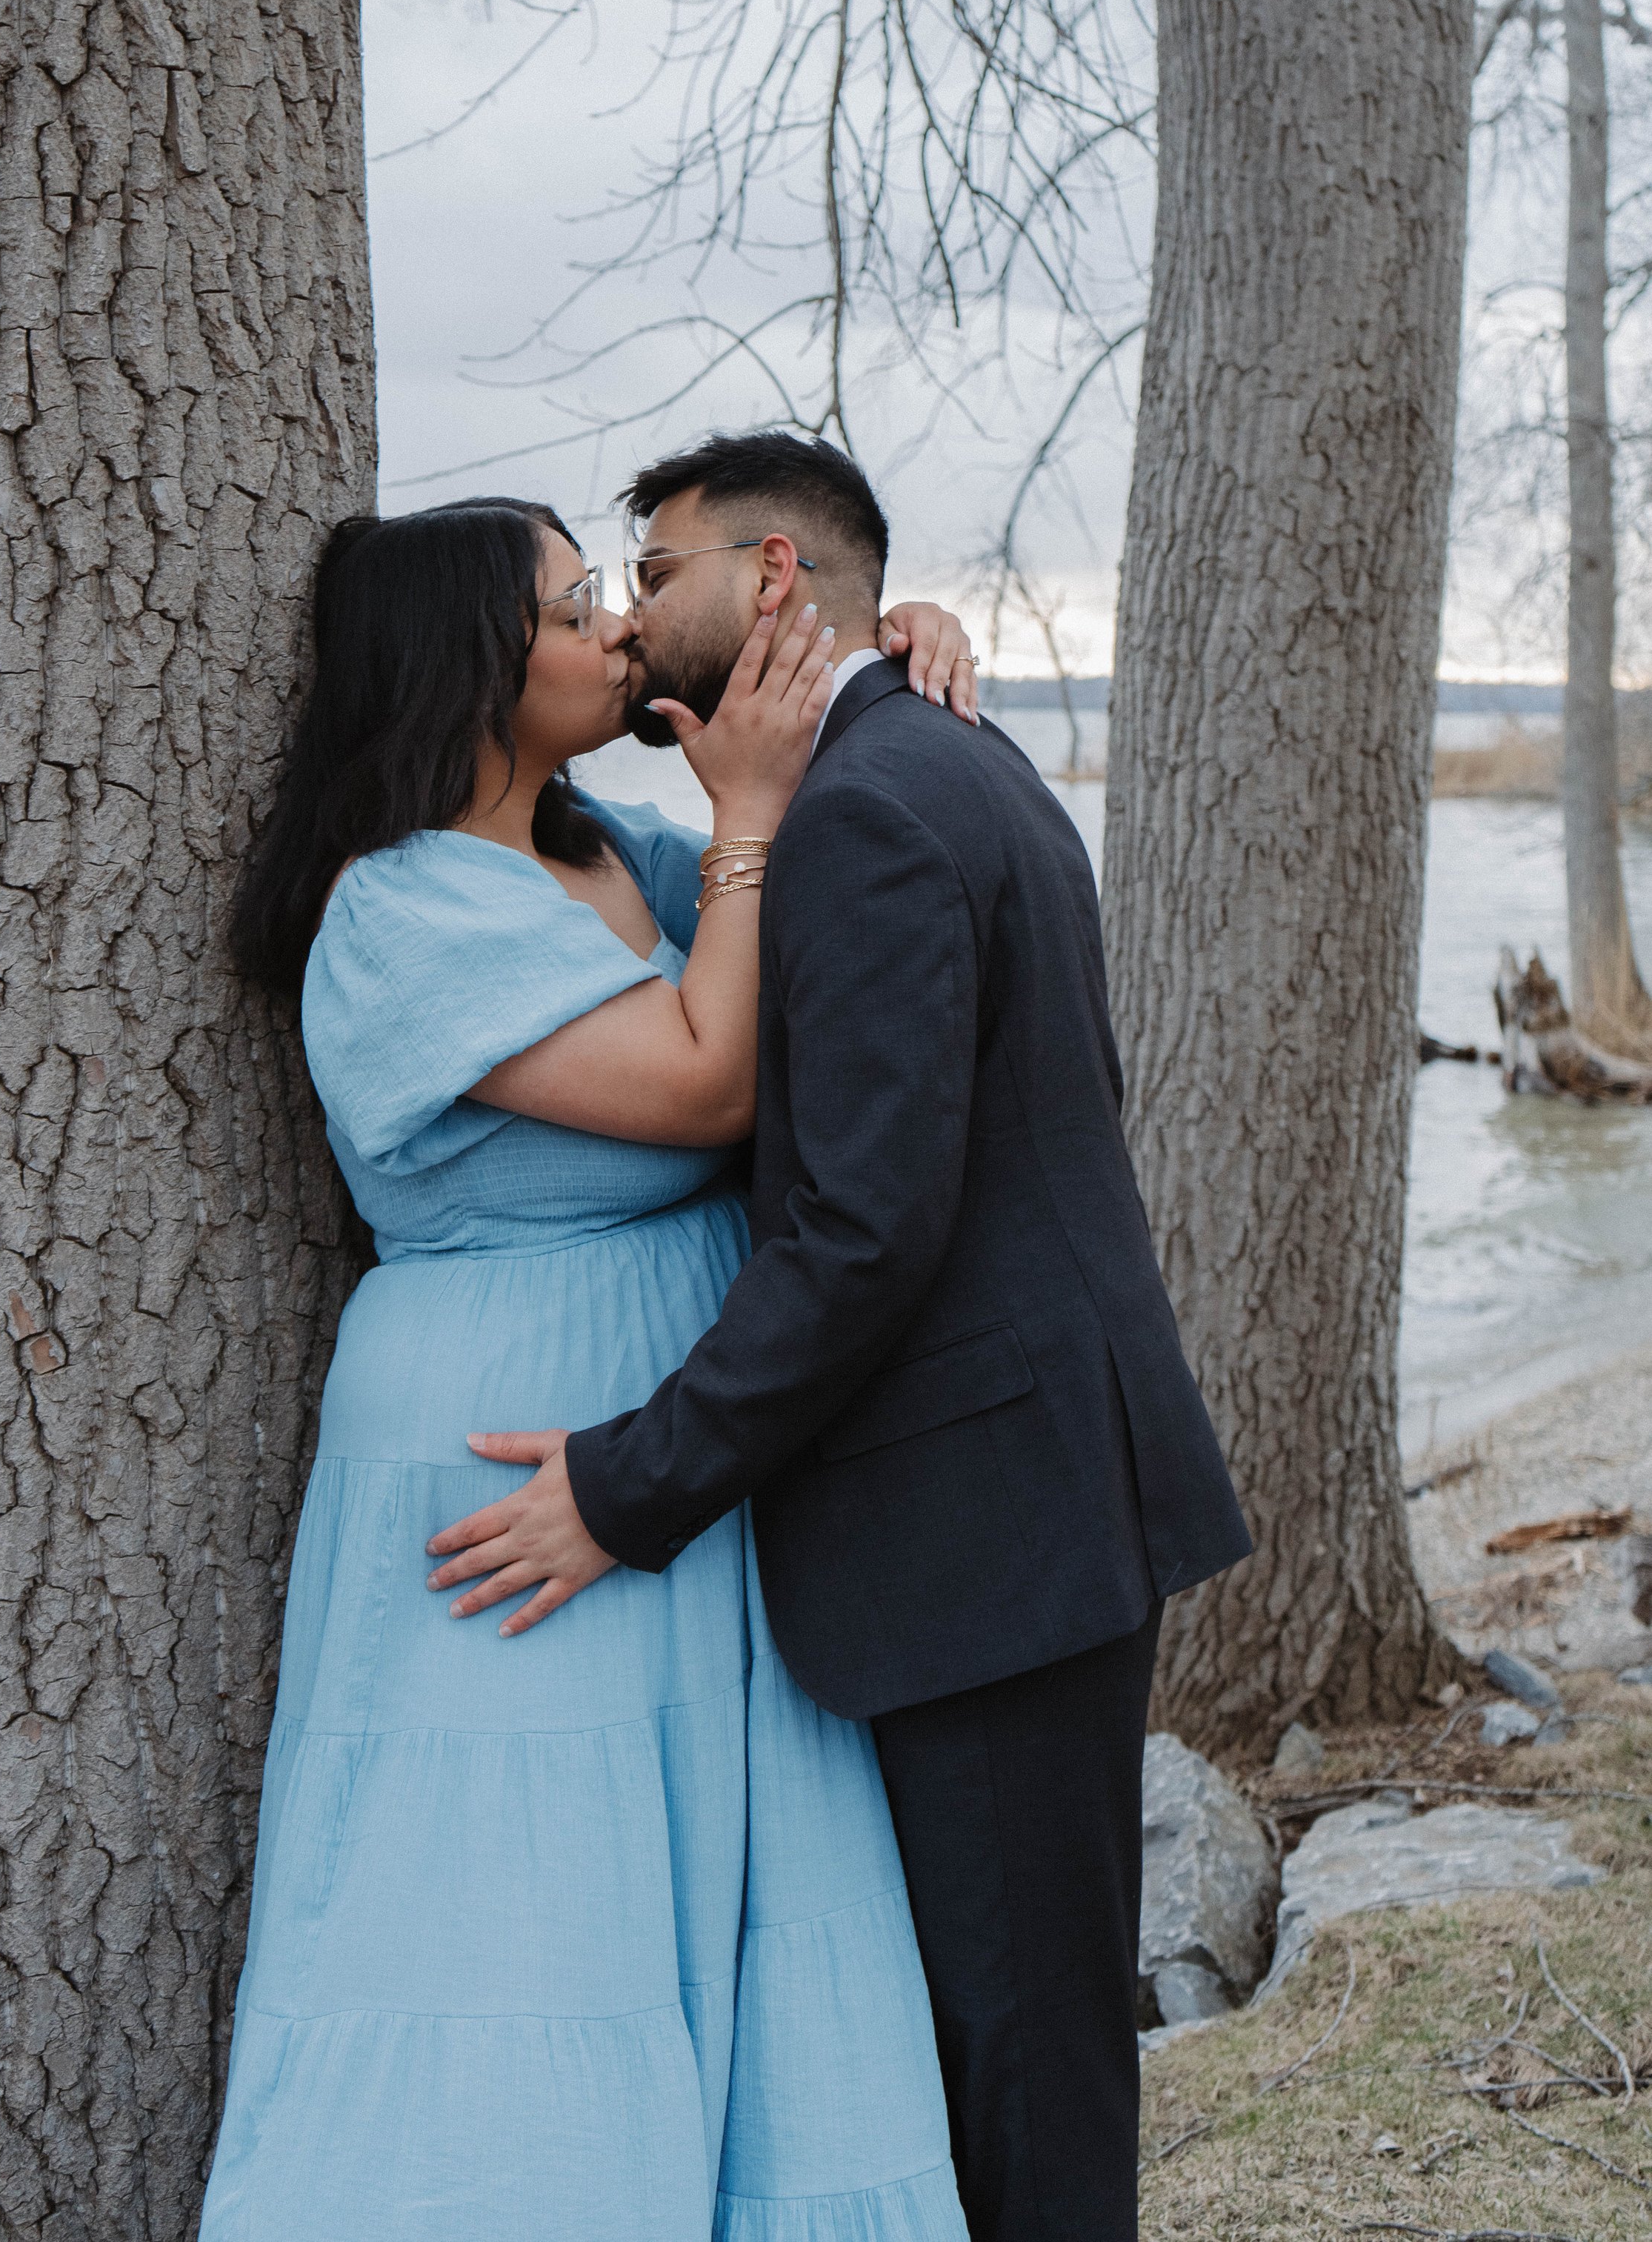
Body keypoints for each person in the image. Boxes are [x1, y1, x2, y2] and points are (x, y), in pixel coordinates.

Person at [424, 432, 1253, 2242]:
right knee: (1010, 2047)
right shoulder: (926, 755)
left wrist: (624, 1489)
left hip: (981, 1541)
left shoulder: (866, 817)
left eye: (653, 578)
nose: (631, 623)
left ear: (774, 578)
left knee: (1016, 2074)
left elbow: (861, 1238)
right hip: (1031, 1503)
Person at [200, 495, 979, 2241]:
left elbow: (805, 933)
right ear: (471, 669)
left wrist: (875, 657)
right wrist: (761, 804)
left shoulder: (622, 853)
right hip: (508, 1450)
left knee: (715, 1897)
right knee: (519, 1920)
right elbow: (710, 1077)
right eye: (573, 608)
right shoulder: (393, 911)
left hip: (676, 1462)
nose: (617, 633)